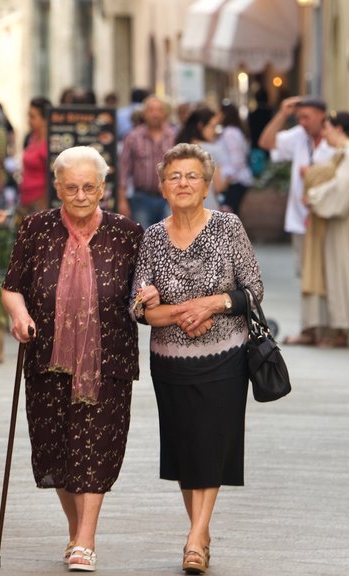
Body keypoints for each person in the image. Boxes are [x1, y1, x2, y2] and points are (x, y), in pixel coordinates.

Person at [1, 146, 147, 572]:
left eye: (89, 187)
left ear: (103, 187)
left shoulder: (127, 233)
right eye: (72, 187)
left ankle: (86, 539)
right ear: (57, 187)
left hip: (109, 360)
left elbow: (142, 291)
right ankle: (74, 531)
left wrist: (148, 299)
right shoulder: (36, 228)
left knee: (97, 447)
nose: (81, 195)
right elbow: (13, 286)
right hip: (46, 358)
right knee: (57, 451)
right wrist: (20, 315)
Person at [130, 142, 263, 576]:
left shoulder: (228, 227)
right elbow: (139, 307)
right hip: (169, 361)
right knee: (188, 450)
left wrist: (214, 304)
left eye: (192, 177)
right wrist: (180, 312)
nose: (183, 183)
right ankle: (200, 533)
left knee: (212, 444)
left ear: (207, 186)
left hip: (226, 356)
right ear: (162, 187)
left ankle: (193, 538)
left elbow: (253, 290)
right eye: (174, 177)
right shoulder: (151, 236)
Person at [257, 96, 335, 344]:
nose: (302, 122)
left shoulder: (334, 141)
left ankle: (332, 328)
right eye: (299, 117)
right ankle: (310, 328)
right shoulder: (299, 136)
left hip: (327, 219)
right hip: (301, 220)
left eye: (306, 117)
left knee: (330, 275)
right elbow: (266, 142)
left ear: (322, 115)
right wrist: (281, 114)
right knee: (307, 277)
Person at [298, 112, 349, 347]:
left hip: (345, 225)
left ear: (340, 129)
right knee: (333, 273)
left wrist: (314, 196)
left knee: (343, 273)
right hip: (336, 222)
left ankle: (344, 328)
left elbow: (344, 188)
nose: (324, 134)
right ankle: (336, 327)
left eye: (328, 129)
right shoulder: (343, 154)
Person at [117, 96, 177, 228]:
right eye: (151, 110)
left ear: (165, 113)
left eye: (159, 110)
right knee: (143, 239)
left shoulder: (175, 136)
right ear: (144, 113)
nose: (155, 114)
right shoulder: (132, 137)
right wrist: (122, 201)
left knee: (171, 240)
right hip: (141, 199)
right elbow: (123, 171)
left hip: (170, 198)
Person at [174, 106, 228, 211]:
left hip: (178, 209)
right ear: (201, 126)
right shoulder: (213, 151)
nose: (215, 131)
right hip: (206, 209)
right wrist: (229, 176)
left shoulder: (177, 148)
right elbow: (219, 187)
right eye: (212, 127)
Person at [217, 101, 254, 216]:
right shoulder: (235, 131)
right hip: (235, 179)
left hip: (234, 181)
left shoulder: (230, 133)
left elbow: (236, 159)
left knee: (229, 218)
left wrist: (226, 180)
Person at [18, 97, 52, 217]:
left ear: (44, 119)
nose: (29, 120)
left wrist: (43, 203)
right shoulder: (32, 138)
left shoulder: (49, 143)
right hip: (26, 199)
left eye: (33, 117)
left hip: (39, 203)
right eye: (29, 116)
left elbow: (53, 176)